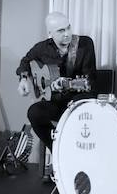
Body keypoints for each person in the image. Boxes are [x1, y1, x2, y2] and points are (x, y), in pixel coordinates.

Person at [17, 12, 97, 151]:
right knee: (33, 113)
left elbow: (89, 80)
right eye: (61, 30)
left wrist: (67, 84)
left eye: (68, 28)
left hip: (79, 97)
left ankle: (76, 150)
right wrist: (23, 79)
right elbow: (25, 61)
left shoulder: (85, 44)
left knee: (77, 106)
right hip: (55, 102)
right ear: (50, 33)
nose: (67, 33)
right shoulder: (41, 48)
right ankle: (57, 149)